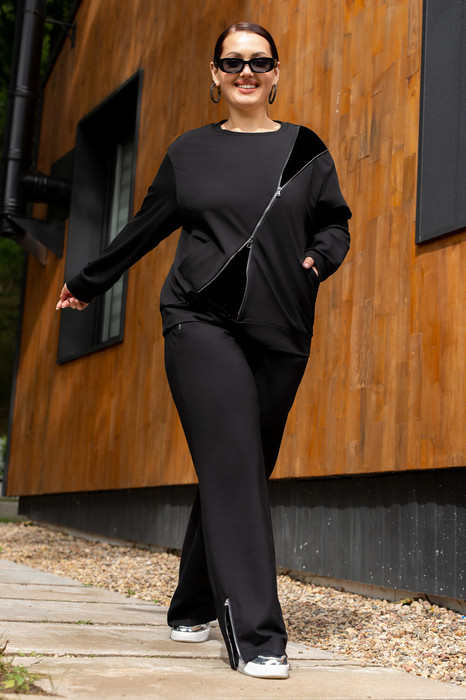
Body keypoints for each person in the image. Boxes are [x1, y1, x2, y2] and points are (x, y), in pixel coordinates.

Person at [56, 22, 351, 680]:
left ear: (276, 74)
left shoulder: (307, 150)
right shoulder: (190, 151)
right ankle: (257, 637)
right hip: (199, 321)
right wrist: (89, 282)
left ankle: (190, 602)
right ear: (215, 75)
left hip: (283, 331)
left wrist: (316, 260)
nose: (246, 72)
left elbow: (335, 222)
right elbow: (146, 224)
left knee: (239, 464)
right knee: (235, 462)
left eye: (259, 62)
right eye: (233, 62)